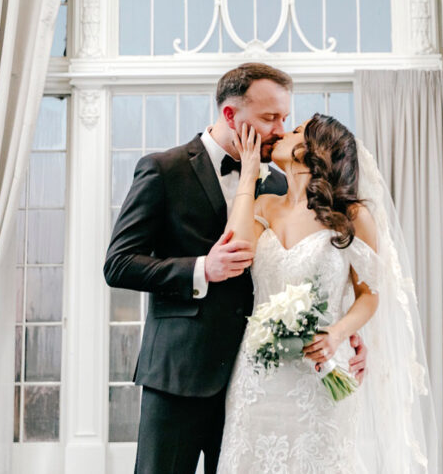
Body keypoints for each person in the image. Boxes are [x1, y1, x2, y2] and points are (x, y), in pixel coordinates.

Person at [103, 63, 367, 474]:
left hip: (258, 381)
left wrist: (343, 331)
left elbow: (315, 266)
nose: (282, 129)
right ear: (231, 115)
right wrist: (200, 269)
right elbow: (118, 264)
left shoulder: (282, 185)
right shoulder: (163, 170)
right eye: (269, 118)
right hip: (181, 377)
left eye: (285, 118)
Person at [217, 114, 437, 473]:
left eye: (297, 130)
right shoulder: (263, 205)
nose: (284, 132)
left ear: (314, 150)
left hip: (320, 371)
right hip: (258, 374)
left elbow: (370, 293)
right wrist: (249, 173)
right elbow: (237, 248)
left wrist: (337, 333)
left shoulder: (351, 215)